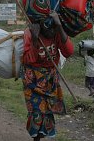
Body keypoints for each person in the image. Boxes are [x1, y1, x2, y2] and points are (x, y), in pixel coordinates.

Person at [20, 11, 74, 141]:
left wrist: (59, 26)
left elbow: (68, 52)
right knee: (37, 111)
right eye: (47, 28)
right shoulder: (31, 32)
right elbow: (29, 59)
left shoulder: (56, 31)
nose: (50, 32)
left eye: (53, 28)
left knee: (48, 111)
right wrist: (34, 38)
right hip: (33, 78)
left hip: (50, 78)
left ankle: (42, 135)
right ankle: (36, 138)